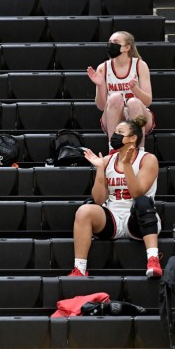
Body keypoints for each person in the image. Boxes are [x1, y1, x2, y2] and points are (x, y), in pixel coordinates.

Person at [69, 116, 162, 278]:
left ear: (133, 138)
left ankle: (153, 259)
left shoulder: (148, 159)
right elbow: (98, 199)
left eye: (120, 132)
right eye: (115, 132)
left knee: (143, 201)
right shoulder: (107, 160)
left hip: (139, 220)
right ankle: (79, 269)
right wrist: (100, 169)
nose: (115, 136)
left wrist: (126, 165)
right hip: (113, 219)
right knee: (84, 211)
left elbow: (137, 193)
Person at [87, 31, 153, 148]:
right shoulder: (103, 67)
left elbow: (148, 101)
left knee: (133, 102)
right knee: (115, 98)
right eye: (110, 42)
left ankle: (140, 151)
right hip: (114, 117)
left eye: (116, 42)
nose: (111, 45)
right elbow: (101, 107)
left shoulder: (140, 65)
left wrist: (135, 89)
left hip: (138, 116)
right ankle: (112, 149)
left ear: (127, 47)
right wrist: (100, 85)